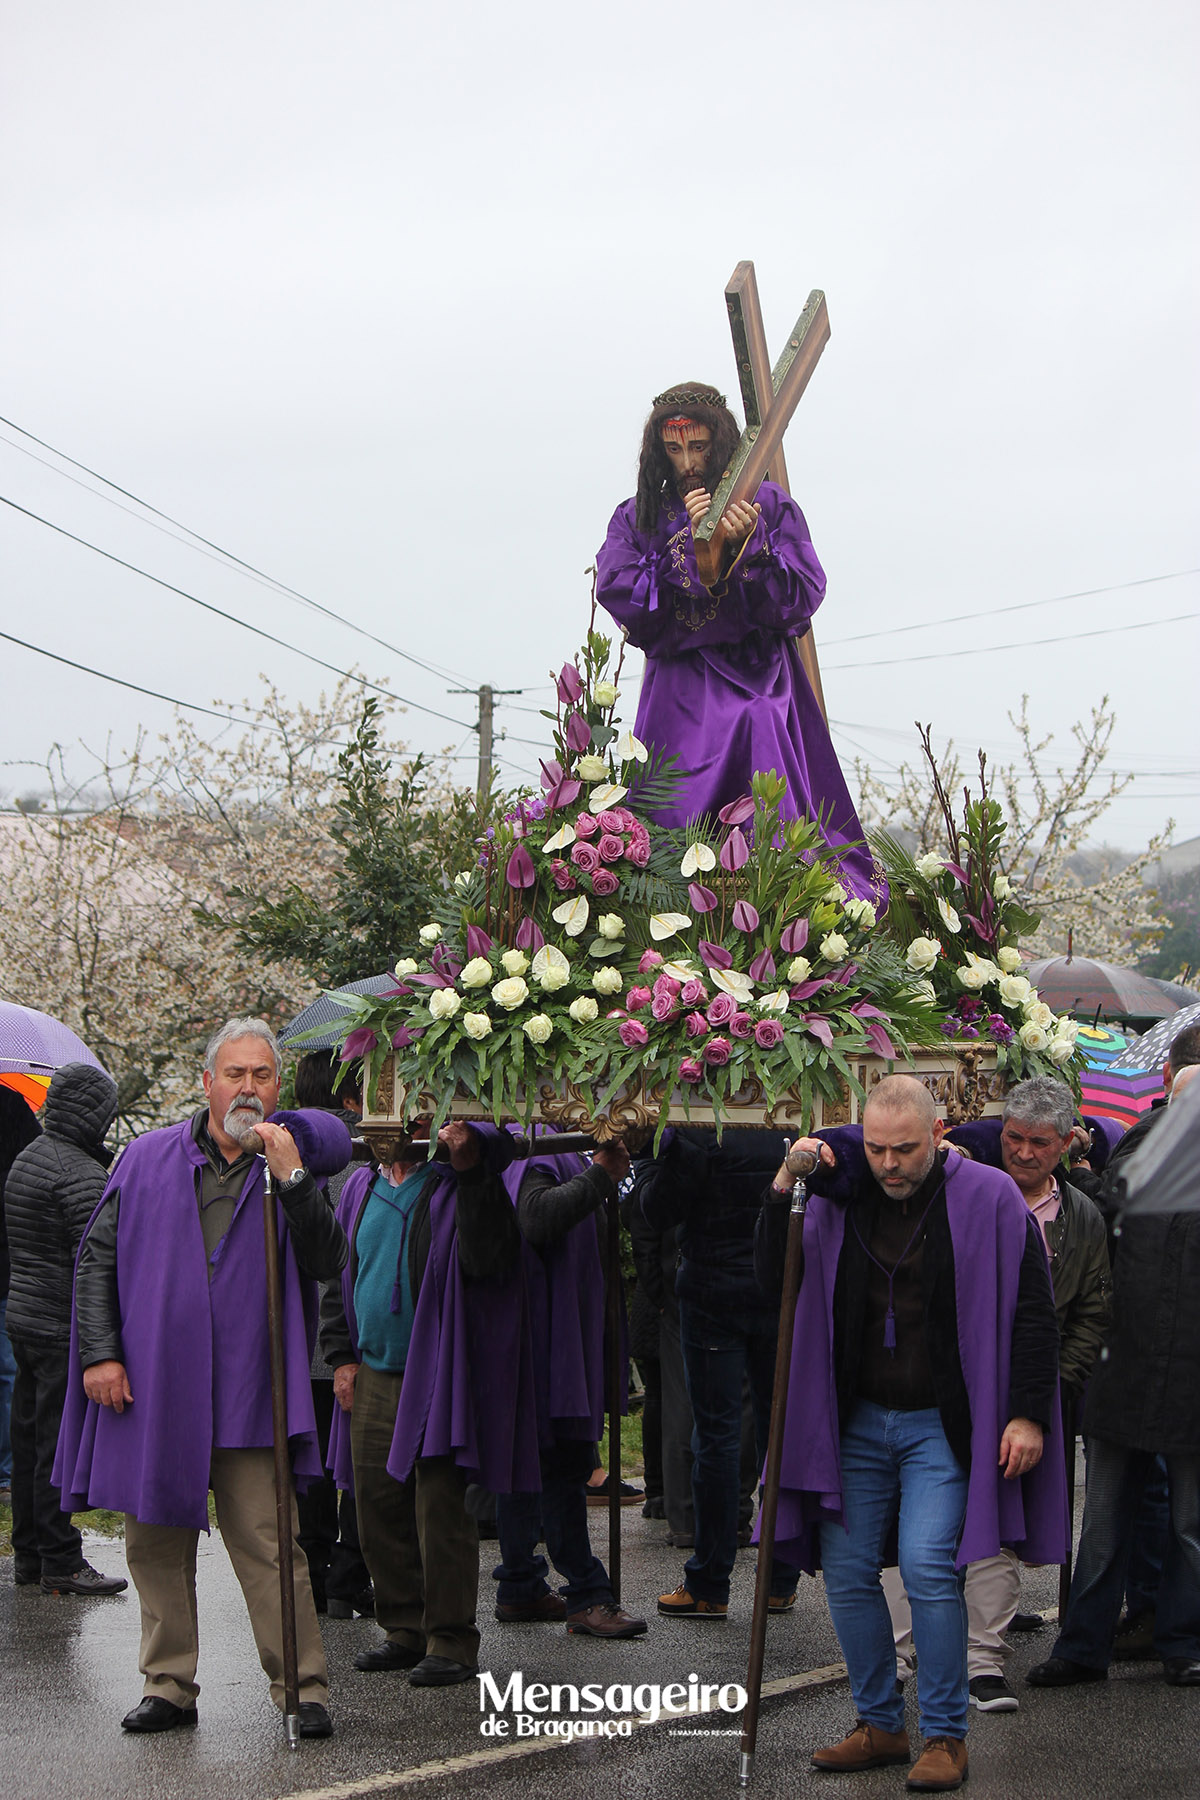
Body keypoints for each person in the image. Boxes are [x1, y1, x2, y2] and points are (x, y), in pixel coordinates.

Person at [757, 1075, 1065, 1793]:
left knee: (929, 1565)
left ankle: (946, 1737)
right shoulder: (841, 1193)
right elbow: (774, 1278)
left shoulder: (989, 1197)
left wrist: (1026, 1413)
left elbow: (1032, 1312)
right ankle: (881, 1724)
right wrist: (783, 1187)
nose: (889, 1165)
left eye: (904, 1150)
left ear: (937, 1135)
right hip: (856, 1417)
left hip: (940, 1422)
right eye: (876, 1149)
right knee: (849, 1566)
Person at [54, 1018, 350, 1738]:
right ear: (207, 1082)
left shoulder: (286, 1168)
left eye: (262, 1075)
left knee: (270, 1542)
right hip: (155, 1386)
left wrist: (296, 1178)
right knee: (153, 1541)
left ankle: (302, 1687)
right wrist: (101, 1352)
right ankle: (169, 1684)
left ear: (278, 1088)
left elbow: (325, 1259)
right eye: (234, 1073)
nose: (247, 1087)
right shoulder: (144, 1158)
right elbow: (96, 1260)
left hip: (253, 1390)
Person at [594, 382, 878, 902]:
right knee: (669, 806)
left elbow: (803, 592)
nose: (688, 463)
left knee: (759, 716)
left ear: (720, 443)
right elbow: (618, 589)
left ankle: (778, 878)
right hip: (680, 686)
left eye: (698, 447)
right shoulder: (639, 517)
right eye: (675, 449)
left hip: (760, 672)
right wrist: (685, 551)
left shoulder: (767, 503)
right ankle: (669, 887)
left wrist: (753, 548)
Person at [883, 1076, 1110, 1711]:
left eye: (1041, 1143)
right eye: (1014, 1138)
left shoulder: (1080, 1217)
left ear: (1067, 1144)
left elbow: (1090, 1311)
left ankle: (983, 1658)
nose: (1025, 1153)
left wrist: (1045, 1395)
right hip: (945, 1383)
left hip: (1027, 1394)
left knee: (1001, 1522)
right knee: (912, 1520)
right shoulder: (959, 1188)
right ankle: (900, 1650)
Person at [321, 1119, 541, 1687]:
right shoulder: (358, 1186)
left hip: (435, 1370)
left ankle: (451, 1640)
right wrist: (340, 1356)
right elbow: (336, 1275)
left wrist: (471, 1172)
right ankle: (403, 1629)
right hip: (370, 1371)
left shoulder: (451, 1182)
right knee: (374, 1507)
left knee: (438, 1507)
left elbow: (491, 1257)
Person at [1028, 1060, 1200, 1691]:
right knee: (1103, 1520)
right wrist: (1079, 1169)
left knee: (1189, 1525)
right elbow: (1098, 1218)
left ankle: (1181, 1641)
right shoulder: (1142, 1146)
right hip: (1124, 1363)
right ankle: (1083, 1645)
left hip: (1188, 1373)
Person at [638, 1127, 802, 1621]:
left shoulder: (695, 1128)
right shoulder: (794, 1120)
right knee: (778, 1434)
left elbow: (656, 1210)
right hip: (779, 1287)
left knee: (716, 1439)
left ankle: (710, 1580)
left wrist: (660, 1156)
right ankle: (778, 1577)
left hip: (713, 1290)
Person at [492, 1133, 647, 1638]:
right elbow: (536, 1218)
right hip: (540, 1339)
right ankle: (586, 1592)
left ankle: (519, 1584)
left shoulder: (557, 1149)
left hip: (552, 1335)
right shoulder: (533, 1147)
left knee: (530, 1460)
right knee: (560, 1462)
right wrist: (600, 1173)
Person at [4, 1065, 126, 1595]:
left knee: (28, 1438)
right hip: (59, 1327)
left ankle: (29, 1555)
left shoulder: (30, 1155)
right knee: (56, 1444)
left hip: (23, 1317)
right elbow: (99, 1257)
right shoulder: (78, 1173)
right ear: (94, 1112)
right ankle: (60, 1559)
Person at [291, 1050, 373, 1620]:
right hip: (349, 1335)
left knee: (313, 1464)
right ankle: (348, 1574)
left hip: (304, 1341)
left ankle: (313, 1573)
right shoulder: (362, 1152)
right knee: (358, 1466)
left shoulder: (291, 1155)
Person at [0, 1086, 42, 1502]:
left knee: (8, 1374)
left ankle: (7, 1473)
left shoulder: (9, 1105)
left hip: (7, 1270)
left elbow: (28, 1176)